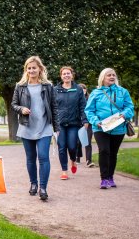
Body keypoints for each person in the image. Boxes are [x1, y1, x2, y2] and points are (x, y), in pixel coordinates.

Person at [11, 56, 59, 201]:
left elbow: (54, 107)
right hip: (27, 127)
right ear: (26, 70)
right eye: (29, 68)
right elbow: (14, 104)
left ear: (40, 69)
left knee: (43, 157)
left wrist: (56, 128)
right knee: (31, 158)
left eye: (34, 68)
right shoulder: (20, 86)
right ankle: (33, 183)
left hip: (44, 126)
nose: (31, 70)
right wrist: (21, 109)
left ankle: (43, 188)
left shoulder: (48, 86)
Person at [85, 68, 134, 189]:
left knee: (113, 153)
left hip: (118, 128)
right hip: (101, 128)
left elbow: (130, 107)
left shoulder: (123, 92)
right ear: (103, 78)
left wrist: (125, 114)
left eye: (113, 75)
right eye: (109, 75)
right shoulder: (96, 93)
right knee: (104, 151)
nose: (112, 77)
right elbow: (89, 110)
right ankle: (104, 179)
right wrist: (96, 122)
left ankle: (111, 177)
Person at [55, 67, 88, 180]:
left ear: (72, 75)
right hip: (60, 124)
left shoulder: (78, 89)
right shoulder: (56, 90)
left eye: (68, 73)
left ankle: (73, 160)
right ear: (61, 76)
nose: (66, 75)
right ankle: (64, 171)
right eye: (64, 74)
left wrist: (85, 120)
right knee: (62, 147)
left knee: (73, 147)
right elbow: (53, 107)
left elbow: (83, 106)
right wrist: (53, 122)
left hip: (74, 123)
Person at [75, 83, 95, 167]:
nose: (82, 91)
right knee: (78, 142)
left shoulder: (90, 99)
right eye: (80, 89)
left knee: (87, 142)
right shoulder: (75, 99)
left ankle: (88, 160)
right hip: (78, 123)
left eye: (84, 89)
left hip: (89, 123)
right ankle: (78, 157)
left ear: (86, 90)